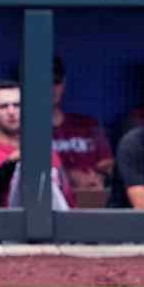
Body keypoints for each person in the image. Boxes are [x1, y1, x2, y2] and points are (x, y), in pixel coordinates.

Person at [0, 80, 73, 208]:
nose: (11, 112)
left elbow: (68, 200)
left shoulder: (46, 152)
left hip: (49, 223)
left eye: (17, 105)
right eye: (4, 106)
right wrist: (12, 162)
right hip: (1, 224)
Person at [51, 57, 113, 191]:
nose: (50, 88)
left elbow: (107, 165)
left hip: (90, 201)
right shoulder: (20, 130)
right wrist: (69, 177)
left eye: (55, 82)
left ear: (63, 84)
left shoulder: (88, 125)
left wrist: (99, 177)